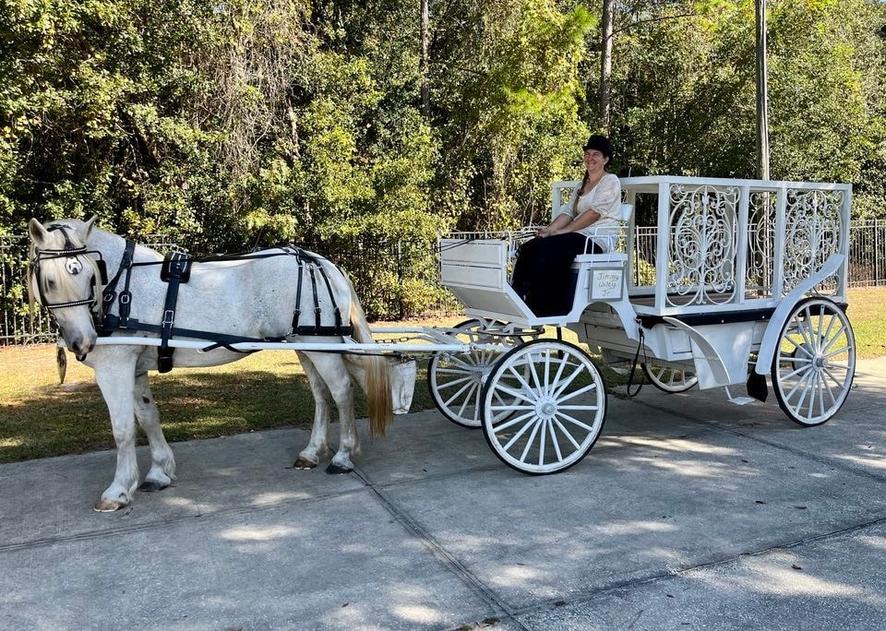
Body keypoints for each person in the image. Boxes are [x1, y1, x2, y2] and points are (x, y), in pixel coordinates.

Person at [511, 134, 622, 316]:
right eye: (587, 154)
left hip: (596, 239)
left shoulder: (610, 181)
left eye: (596, 154)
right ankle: (519, 296)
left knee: (553, 249)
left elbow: (593, 214)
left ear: (605, 159)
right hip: (577, 236)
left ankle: (546, 306)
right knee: (531, 247)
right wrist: (549, 230)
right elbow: (568, 212)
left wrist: (563, 232)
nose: (590, 158)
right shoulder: (582, 184)